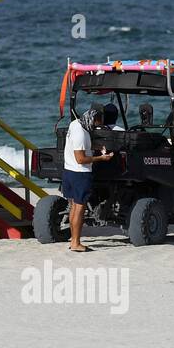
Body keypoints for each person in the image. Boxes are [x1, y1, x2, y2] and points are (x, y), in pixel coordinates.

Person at [62, 106, 112, 252]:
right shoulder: (81, 134)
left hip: (68, 171)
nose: (99, 125)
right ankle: (76, 243)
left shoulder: (75, 123)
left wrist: (95, 146)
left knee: (73, 207)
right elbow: (81, 159)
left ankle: (73, 240)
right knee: (79, 208)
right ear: (94, 118)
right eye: (99, 122)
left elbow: (79, 148)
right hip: (80, 174)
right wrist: (102, 158)